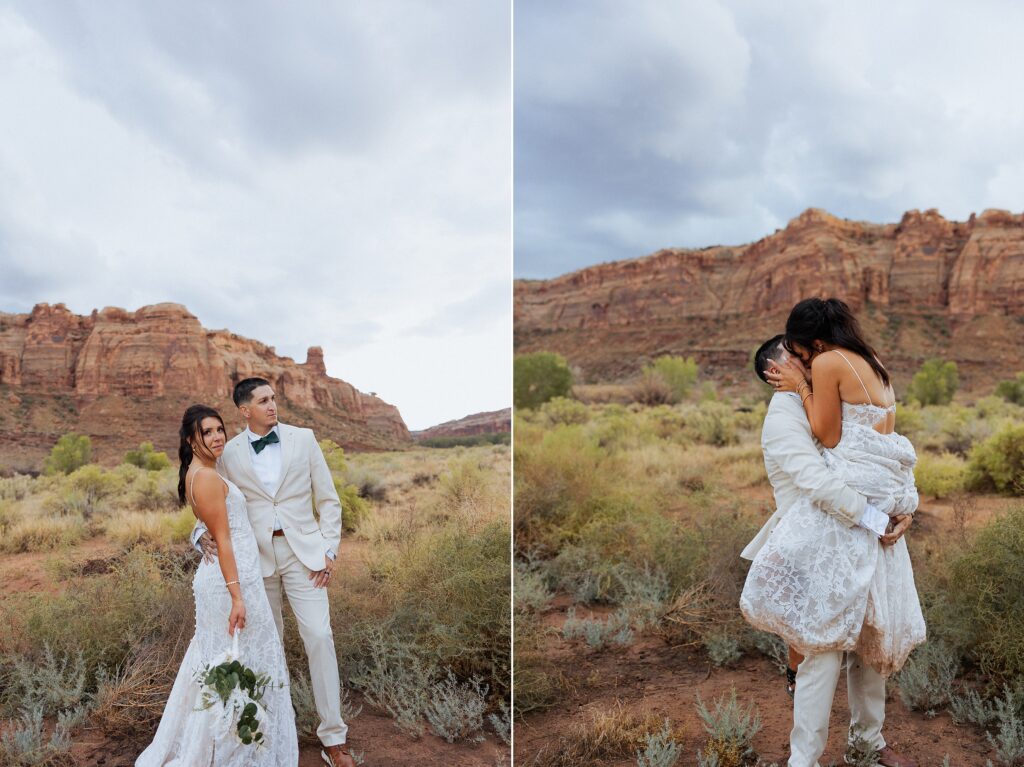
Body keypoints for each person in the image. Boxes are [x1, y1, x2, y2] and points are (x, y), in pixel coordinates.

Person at [742, 298, 924, 767]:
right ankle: (804, 760)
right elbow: (816, 483)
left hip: (868, 536)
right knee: (821, 654)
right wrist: (875, 517)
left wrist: (903, 508)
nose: (803, 360)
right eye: (790, 355)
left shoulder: (833, 389)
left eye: (800, 350)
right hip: (816, 544)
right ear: (773, 371)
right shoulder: (782, 416)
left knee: (871, 643)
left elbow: (884, 454)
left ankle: (868, 746)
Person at [192, 378, 355, 767]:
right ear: (244, 410)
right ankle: (271, 732)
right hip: (255, 561)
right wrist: (199, 534)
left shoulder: (304, 438)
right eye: (263, 401)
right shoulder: (228, 452)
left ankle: (334, 739)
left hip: (306, 556)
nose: (272, 405)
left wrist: (329, 549)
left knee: (319, 636)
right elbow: (208, 497)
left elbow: (328, 499)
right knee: (267, 648)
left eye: (274, 398)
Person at [137, 405, 298, 766]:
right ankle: (237, 751)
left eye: (219, 429)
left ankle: (228, 745)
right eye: (207, 432)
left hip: (233, 578)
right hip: (231, 583)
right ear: (191, 440)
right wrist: (237, 597)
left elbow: (212, 528)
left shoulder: (202, 471)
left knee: (224, 663)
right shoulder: (207, 477)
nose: (216, 437)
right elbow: (224, 539)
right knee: (236, 662)